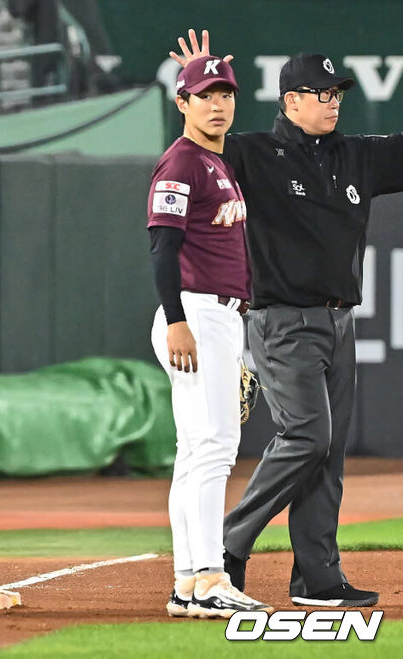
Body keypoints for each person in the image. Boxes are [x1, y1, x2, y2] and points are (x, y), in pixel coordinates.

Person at [172, 29, 390, 607]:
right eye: (320, 93)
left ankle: (318, 577)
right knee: (307, 436)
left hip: (339, 321)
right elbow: (198, 148)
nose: (332, 101)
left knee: (329, 449)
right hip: (281, 320)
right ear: (290, 100)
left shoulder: (357, 154)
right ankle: (226, 548)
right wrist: (198, 84)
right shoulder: (253, 153)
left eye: (337, 92)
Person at [147, 55, 272, 619]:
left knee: (195, 451)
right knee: (215, 449)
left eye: (225, 94)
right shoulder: (182, 162)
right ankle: (209, 577)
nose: (217, 104)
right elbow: (162, 247)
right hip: (195, 315)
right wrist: (177, 319)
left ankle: (187, 582)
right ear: (182, 104)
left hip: (214, 316)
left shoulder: (215, 161)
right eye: (204, 94)